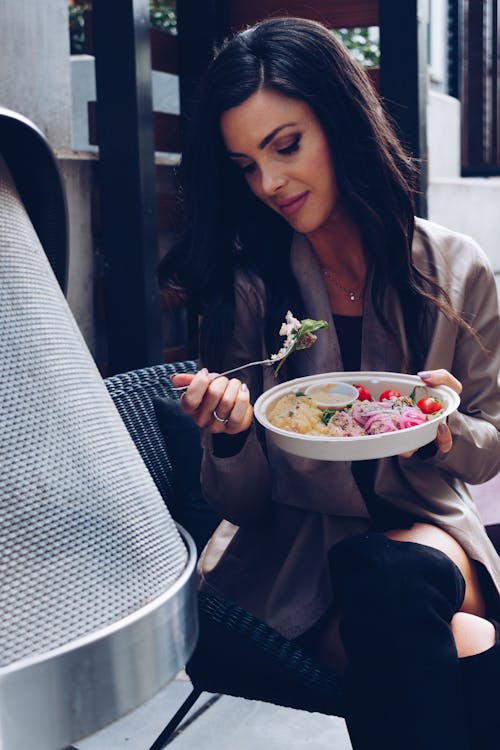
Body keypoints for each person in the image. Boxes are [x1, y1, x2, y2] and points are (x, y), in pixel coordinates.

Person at [159, 17, 500, 749]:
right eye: (246, 165)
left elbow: (488, 449)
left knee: (394, 574)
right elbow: (241, 505)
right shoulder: (252, 288)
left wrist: (444, 428)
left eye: (286, 146)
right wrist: (232, 436)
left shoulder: (457, 270)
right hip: (297, 565)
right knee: (457, 639)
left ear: (341, 123)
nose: (270, 183)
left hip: (433, 534)